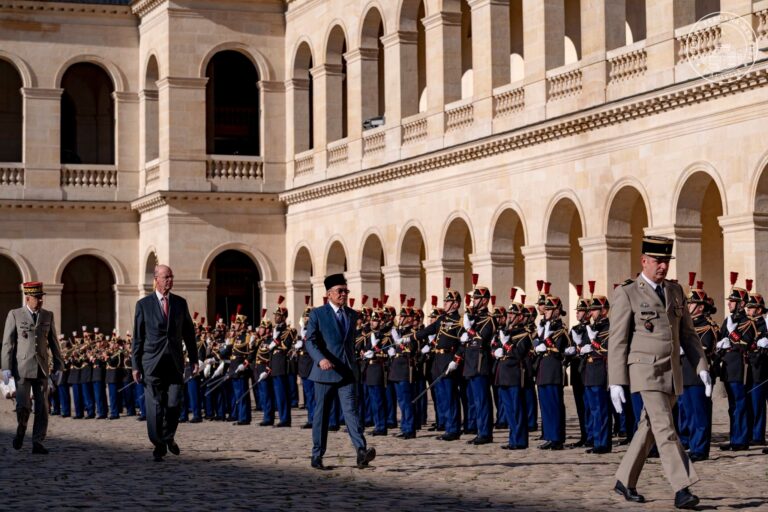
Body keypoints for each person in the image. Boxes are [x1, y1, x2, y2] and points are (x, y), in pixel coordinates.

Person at [608, 236, 711, 510]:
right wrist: (616, 380)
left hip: (672, 372)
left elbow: (688, 335)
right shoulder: (627, 293)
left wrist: (701, 367)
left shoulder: (675, 291)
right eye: (657, 261)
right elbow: (617, 340)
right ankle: (682, 487)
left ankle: (624, 479)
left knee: (650, 428)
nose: (662, 266)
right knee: (665, 427)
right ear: (644, 261)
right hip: (645, 371)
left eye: (666, 261)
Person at [305, 273, 376, 470]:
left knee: (351, 412)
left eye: (346, 291)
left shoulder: (352, 314)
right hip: (325, 371)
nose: (344, 294)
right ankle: (317, 454)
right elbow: (309, 342)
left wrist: (358, 353)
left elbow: (349, 342)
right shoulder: (318, 314)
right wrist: (321, 360)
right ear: (329, 294)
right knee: (322, 414)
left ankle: (361, 452)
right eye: (340, 291)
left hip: (347, 371)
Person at [132, 264, 199, 462]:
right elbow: (137, 338)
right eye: (166, 277)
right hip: (151, 362)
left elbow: (189, 333)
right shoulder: (143, 305)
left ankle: (168, 436)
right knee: (154, 406)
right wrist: (135, 365)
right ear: (157, 279)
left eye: (171, 276)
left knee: (174, 402)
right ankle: (158, 442)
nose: (170, 280)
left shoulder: (180, 303)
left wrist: (194, 359)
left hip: (175, 361)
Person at [1, 281, 63, 454]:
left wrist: (59, 365)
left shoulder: (47, 315)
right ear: (27, 297)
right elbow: (8, 343)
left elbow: (54, 342)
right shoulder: (15, 315)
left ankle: (37, 441)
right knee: (23, 406)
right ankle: (21, 430)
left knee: (43, 407)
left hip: (42, 368)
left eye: (41, 297)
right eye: (37, 297)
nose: (40, 300)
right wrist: (5, 367)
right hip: (22, 368)